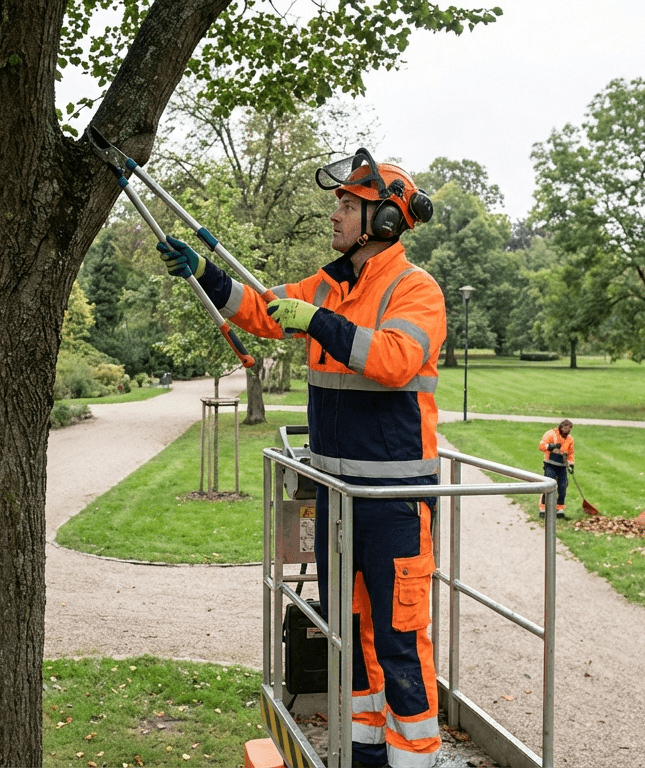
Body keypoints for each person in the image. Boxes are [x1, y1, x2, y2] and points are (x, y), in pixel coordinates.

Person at [160, 148, 444, 768]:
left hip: (393, 504)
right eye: (339, 204)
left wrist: (319, 321)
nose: (336, 215)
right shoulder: (328, 284)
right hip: (337, 498)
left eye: (348, 205)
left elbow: (394, 360)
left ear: (387, 222)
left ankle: (416, 758)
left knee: (397, 640)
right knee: (351, 635)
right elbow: (263, 308)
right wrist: (205, 273)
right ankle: (369, 751)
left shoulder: (415, 290)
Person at [538, 420, 575, 518]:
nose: (567, 431)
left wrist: (571, 464)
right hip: (550, 464)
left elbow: (570, 453)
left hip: (562, 465)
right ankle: (543, 508)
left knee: (562, 486)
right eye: (566, 428)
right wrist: (550, 446)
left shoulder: (570, 439)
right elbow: (541, 446)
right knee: (548, 485)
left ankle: (559, 508)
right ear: (561, 427)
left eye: (569, 429)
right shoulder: (551, 434)